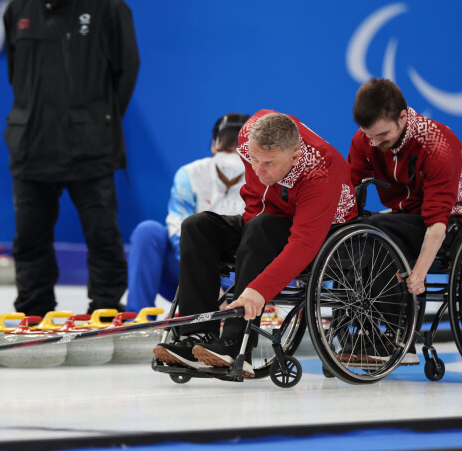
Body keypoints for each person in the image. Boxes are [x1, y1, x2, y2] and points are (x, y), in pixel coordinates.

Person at [153, 110, 358, 376]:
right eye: (254, 159)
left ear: (294, 157)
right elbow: (256, 201)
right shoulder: (249, 132)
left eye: (269, 164)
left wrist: (258, 290)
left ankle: (236, 343)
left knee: (261, 228)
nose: (258, 170)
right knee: (197, 226)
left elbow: (304, 244)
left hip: (325, 232)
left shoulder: (321, 172)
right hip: (270, 219)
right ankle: (196, 336)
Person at [2, 0, 140, 317]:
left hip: (90, 149)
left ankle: (106, 309)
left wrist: (97, 120)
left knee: (103, 235)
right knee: (29, 239)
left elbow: (127, 71)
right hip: (31, 148)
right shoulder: (17, 8)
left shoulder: (108, 6)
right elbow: (14, 74)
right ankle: (34, 313)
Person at [347, 77, 462, 364]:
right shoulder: (365, 140)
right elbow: (349, 192)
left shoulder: (437, 144)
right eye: (368, 135)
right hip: (406, 217)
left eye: (381, 135)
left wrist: (418, 275)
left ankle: (401, 338)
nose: (374, 143)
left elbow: (436, 224)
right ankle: (356, 334)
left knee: (378, 231)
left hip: (456, 220)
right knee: (353, 231)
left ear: (403, 116)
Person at [125, 114, 249, 314]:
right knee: (147, 232)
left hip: (241, 275)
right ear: (213, 145)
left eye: (239, 145)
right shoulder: (190, 174)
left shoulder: (264, 179)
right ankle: (137, 316)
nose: (232, 151)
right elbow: (176, 227)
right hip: (190, 272)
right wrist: (206, 278)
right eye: (226, 142)